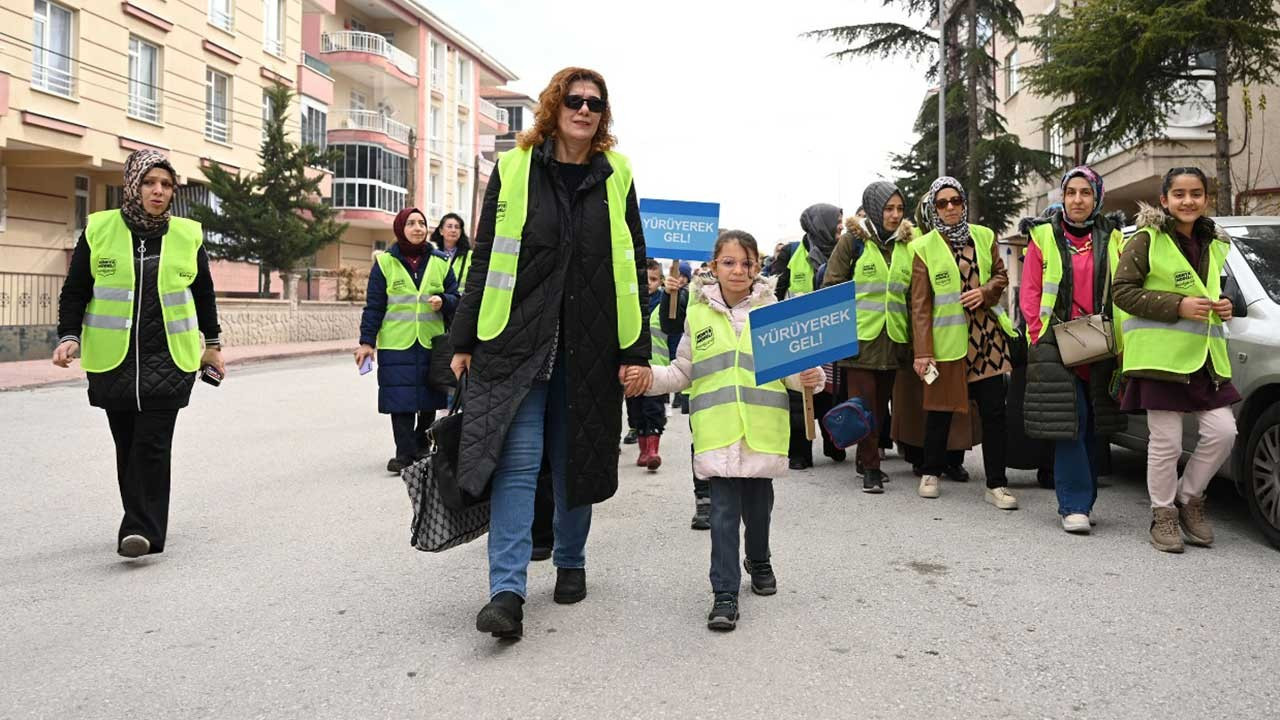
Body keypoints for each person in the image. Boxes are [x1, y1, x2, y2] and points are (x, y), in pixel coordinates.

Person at [449, 67, 651, 639]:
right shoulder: (513, 168)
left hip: (590, 345)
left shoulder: (617, 174)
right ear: (555, 106)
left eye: (595, 102)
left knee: (576, 459)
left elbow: (630, 264)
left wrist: (634, 349)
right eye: (574, 99)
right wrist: (464, 339)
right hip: (517, 343)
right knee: (516, 465)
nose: (584, 110)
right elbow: (486, 255)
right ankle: (506, 592)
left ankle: (570, 561)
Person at [647, 230, 825, 631]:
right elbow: (683, 372)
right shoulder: (698, 315)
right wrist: (648, 379)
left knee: (758, 510)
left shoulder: (773, 313)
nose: (738, 270)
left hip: (762, 432)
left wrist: (809, 379)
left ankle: (759, 559)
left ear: (757, 266)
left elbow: (793, 375)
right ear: (713, 267)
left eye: (747, 263)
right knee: (724, 514)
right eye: (729, 262)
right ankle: (724, 592)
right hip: (718, 431)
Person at [51, 149, 224, 559]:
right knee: (126, 444)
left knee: (152, 443)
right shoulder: (99, 229)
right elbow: (76, 290)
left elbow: (203, 294)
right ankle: (143, 522)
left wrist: (213, 345)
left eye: (165, 184)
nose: (158, 191)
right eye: (149, 183)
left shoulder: (187, 235)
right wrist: (68, 335)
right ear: (133, 186)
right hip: (114, 359)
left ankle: (140, 530)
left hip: (170, 358)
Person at [1113, 167, 1239, 553]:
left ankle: (1189, 498)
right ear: (1164, 200)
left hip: (1205, 359)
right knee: (1165, 443)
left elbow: (1219, 287)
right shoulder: (1146, 240)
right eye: (1179, 194)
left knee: (1223, 433)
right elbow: (1121, 291)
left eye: (1196, 193)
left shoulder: (1217, 243)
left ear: (1206, 199)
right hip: (1160, 360)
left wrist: (1228, 304)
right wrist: (1178, 305)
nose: (1188, 201)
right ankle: (1162, 514)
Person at [1019, 167, 1127, 534]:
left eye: (1085, 193)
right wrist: (1038, 332)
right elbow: (1030, 290)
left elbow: (1123, 286)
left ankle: (1085, 499)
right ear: (1062, 197)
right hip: (1056, 341)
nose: (1078, 200)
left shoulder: (1112, 237)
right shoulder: (1044, 236)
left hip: (1100, 341)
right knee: (1072, 421)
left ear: (1096, 198)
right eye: (1071, 193)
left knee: (1095, 423)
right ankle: (1074, 505)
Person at [909, 177, 1019, 509]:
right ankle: (930, 472)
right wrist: (923, 352)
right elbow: (920, 305)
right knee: (939, 410)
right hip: (947, 343)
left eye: (955, 200)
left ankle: (997, 484)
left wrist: (985, 292)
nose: (951, 207)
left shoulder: (984, 236)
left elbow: (1001, 275)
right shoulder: (922, 247)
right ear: (933, 208)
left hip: (987, 339)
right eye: (942, 203)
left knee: (994, 413)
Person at [822, 182, 914, 493]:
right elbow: (831, 283)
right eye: (889, 208)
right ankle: (872, 468)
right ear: (875, 209)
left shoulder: (905, 245)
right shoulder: (853, 243)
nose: (895, 215)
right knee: (863, 405)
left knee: (880, 405)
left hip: (894, 339)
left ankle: (865, 457)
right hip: (860, 338)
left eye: (899, 209)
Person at [355, 207, 460, 473]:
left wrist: (444, 301)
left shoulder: (440, 262)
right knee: (400, 401)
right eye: (411, 223)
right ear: (400, 228)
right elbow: (374, 306)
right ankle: (404, 454)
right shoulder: (384, 263)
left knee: (428, 399)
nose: (417, 228)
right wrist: (367, 342)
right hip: (396, 344)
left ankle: (421, 446)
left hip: (430, 343)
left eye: (421, 223)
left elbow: (457, 299)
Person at [773, 203, 844, 468]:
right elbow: (775, 291)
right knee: (798, 396)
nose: (840, 225)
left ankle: (833, 441)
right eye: (837, 220)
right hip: (798, 335)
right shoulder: (792, 253)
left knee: (831, 392)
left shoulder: (845, 250)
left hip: (831, 331)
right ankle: (800, 452)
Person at [626, 258, 668, 469]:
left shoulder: (664, 305)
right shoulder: (630, 302)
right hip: (632, 369)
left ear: (660, 281)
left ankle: (653, 450)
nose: (648, 283)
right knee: (636, 410)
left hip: (656, 369)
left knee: (653, 409)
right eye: (645, 279)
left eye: (653, 279)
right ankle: (643, 449)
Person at [433, 212, 472, 292]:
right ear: (441, 231)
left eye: (457, 227)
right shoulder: (433, 256)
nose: (453, 230)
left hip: (462, 302)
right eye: (449, 226)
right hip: (439, 301)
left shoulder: (470, 256)